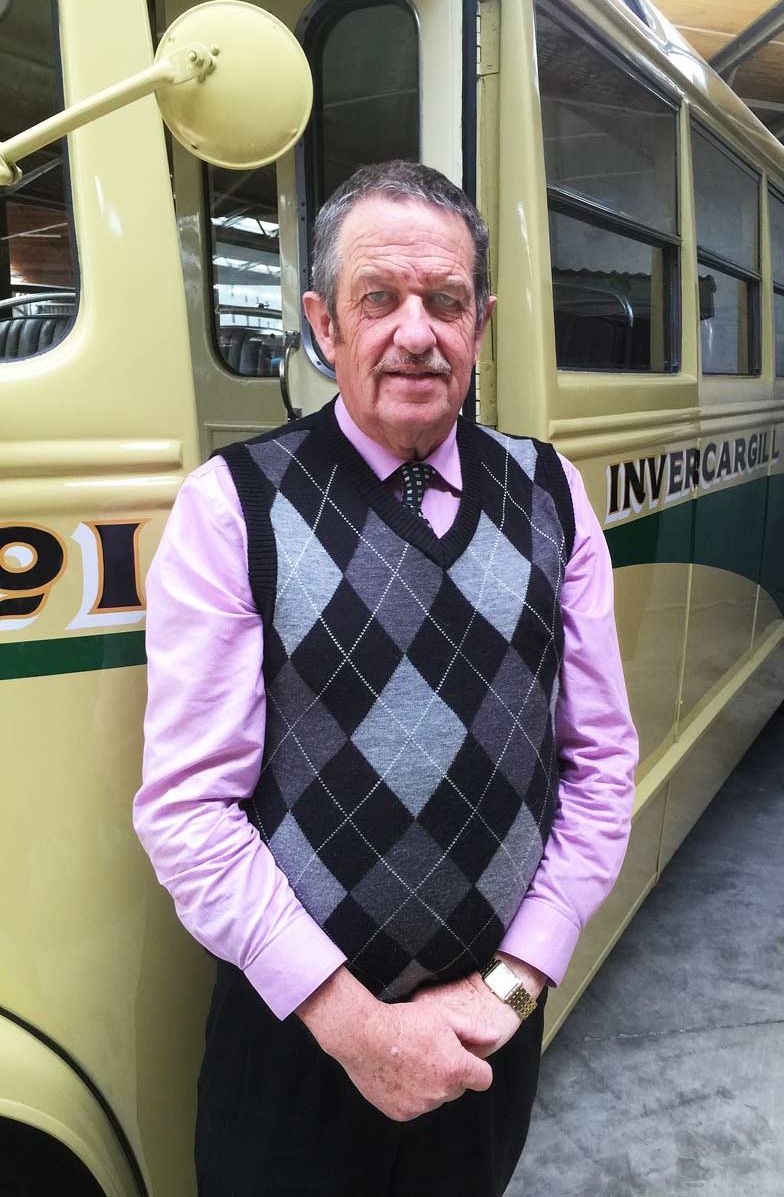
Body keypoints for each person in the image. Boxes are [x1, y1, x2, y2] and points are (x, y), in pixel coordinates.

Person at [134, 160, 637, 1197]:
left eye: (444, 300)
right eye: (379, 298)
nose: (416, 330)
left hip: (482, 1039)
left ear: (479, 322)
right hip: (295, 1047)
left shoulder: (551, 497)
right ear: (324, 322)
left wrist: (512, 980)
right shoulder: (234, 508)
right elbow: (187, 810)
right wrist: (357, 1026)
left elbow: (596, 767)